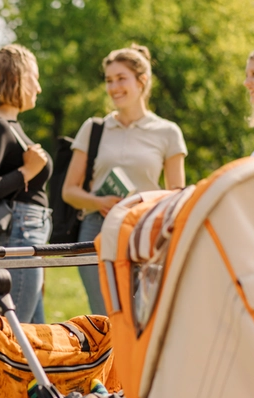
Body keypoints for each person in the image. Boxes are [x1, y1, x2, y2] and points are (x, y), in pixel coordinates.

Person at [62, 44, 187, 316]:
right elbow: (69, 191)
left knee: (143, 318)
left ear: (142, 81)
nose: (114, 87)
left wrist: (139, 205)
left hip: (146, 231)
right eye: (109, 80)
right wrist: (99, 200)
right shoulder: (94, 128)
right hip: (97, 231)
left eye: (121, 79)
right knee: (107, 318)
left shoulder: (168, 132)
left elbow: (176, 195)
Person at [0, 44, 52, 323]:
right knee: (10, 339)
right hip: (20, 239)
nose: (38, 88)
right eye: (33, 78)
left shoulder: (9, 125)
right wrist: (27, 171)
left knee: (33, 343)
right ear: (15, 78)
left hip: (28, 237)